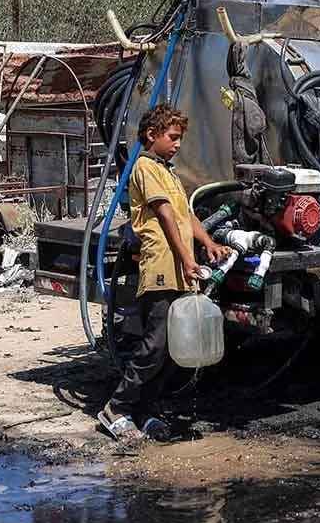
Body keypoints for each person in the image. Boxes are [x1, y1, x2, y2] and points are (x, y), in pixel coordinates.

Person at [98, 104, 230, 441]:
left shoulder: (167, 171)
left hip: (180, 269)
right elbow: (167, 216)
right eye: (172, 137)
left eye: (180, 138)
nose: (177, 144)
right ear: (151, 134)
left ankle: (147, 410)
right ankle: (117, 407)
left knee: (176, 348)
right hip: (161, 267)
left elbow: (187, 215)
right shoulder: (144, 167)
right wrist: (188, 259)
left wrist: (208, 243)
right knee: (156, 344)